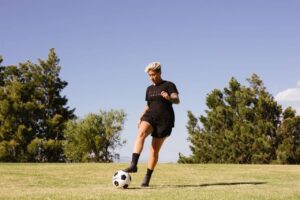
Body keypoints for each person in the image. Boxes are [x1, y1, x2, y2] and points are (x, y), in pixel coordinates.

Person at [123, 62, 180, 187]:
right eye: (149, 75)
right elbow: (148, 105)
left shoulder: (169, 85)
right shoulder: (149, 89)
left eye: (153, 74)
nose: (151, 77)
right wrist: (140, 117)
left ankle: (147, 177)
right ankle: (133, 165)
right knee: (141, 133)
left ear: (159, 73)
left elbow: (177, 100)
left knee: (154, 151)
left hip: (164, 120)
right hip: (150, 116)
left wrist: (169, 98)